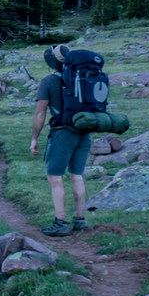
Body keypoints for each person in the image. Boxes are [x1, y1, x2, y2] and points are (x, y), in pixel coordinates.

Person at [30, 44, 90, 236]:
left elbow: (40, 113)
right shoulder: (81, 78)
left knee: (56, 178)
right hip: (83, 130)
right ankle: (80, 220)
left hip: (62, 133)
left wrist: (34, 138)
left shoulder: (48, 82)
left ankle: (61, 223)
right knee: (77, 175)